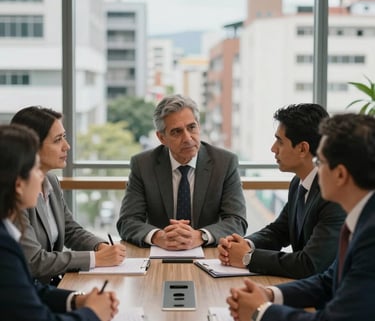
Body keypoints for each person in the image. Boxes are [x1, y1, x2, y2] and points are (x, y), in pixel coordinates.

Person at [226, 113, 375, 321]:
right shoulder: (361, 218)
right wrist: (270, 294)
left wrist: (261, 311)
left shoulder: (370, 234)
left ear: (340, 175)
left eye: (320, 161)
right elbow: (327, 281)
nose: (316, 168)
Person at [0, 124, 119, 321]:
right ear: (19, 185)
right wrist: (93, 314)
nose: (41, 176)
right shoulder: (4, 246)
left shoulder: (6, 231)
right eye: (35, 169)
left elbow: (28, 290)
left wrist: (77, 301)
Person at [218, 104, 346, 278]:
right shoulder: (298, 183)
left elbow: (309, 264)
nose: (273, 148)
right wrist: (245, 244)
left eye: (280, 141)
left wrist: (248, 257)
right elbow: (279, 231)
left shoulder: (333, 196)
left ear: (302, 149)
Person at [11, 106, 126, 284]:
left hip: (50, 286)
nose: (67, 146)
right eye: (58, 140)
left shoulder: (51, 181)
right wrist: (96, 259)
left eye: (64, 137)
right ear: (32, 146)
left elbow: (71, 230)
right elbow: (33, 261)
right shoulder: (15, 192)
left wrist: (100, 247)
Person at [116, 94, 247, 249]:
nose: (187, 138)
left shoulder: (224, 163)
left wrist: (200, 236)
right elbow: (127, 221)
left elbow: (237, 220)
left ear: (199, 126)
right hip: (160, 256)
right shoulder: (143, 165)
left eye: (192, 127)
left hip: (209, 255)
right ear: (161, 138)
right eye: (176, 132)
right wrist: (159, 236)